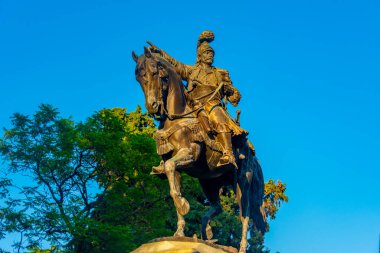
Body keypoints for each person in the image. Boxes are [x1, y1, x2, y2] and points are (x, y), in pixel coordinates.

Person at [149, 30, 245, 169]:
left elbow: (236, 97)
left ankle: (228, 153)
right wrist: (160, 53)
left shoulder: (220, 73)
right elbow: (174, 64)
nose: (210, 56)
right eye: (207, 53)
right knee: (169, 120)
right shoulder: (191, 71)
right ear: (200, 56)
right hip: (194, 105)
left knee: (218, 117)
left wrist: (229, 89)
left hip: (212, 104)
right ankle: (166, 159)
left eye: (212, 54)